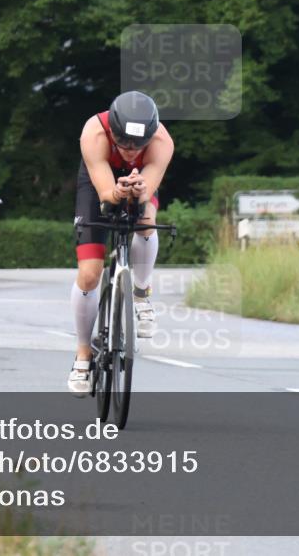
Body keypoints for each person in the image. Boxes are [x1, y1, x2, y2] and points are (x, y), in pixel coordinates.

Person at [68, 91, 174, 396]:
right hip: (98, 180)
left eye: (137, 145)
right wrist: (116, 193)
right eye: (124, 143)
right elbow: (105, 195)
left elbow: (147, 191)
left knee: (146, 220)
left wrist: (139, 191)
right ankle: (83, 356)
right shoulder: (94, 132)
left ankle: (141, 295)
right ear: (112, 132)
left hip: (139, 180)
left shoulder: (162, 142)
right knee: (89, 273)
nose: (130, 151)